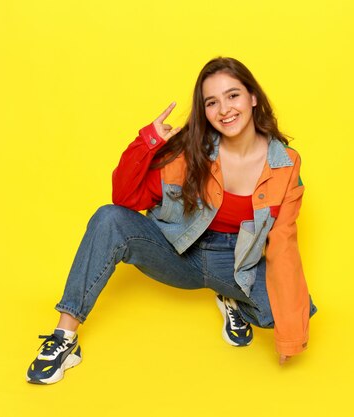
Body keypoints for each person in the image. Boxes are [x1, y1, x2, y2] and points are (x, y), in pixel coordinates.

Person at [26, 57, 317, 384]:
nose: (224, 109)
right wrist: (147, 142)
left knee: (297, 315)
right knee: (108, 219)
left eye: (233, 95)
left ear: (252, 97)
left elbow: (283, 243)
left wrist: (290, 335)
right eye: (212, 102)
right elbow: (124, 200)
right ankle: (65, 338)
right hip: (179, 252)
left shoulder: (285, 164)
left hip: (236, 263)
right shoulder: (189, 151)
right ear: (204, 110)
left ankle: (230, 297)